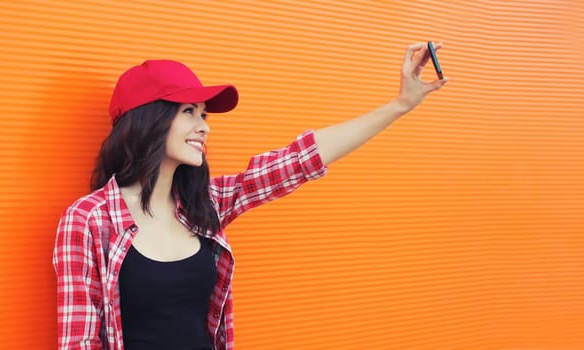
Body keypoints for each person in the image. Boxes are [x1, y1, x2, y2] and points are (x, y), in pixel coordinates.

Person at [53, 42, 448, 350]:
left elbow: (300, 159)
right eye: (189, 111)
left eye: (204, 115)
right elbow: (80, 341)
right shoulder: (89, 220)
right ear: (147, 120)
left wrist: (400, 105)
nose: (203, 127)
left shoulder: (204, 206)